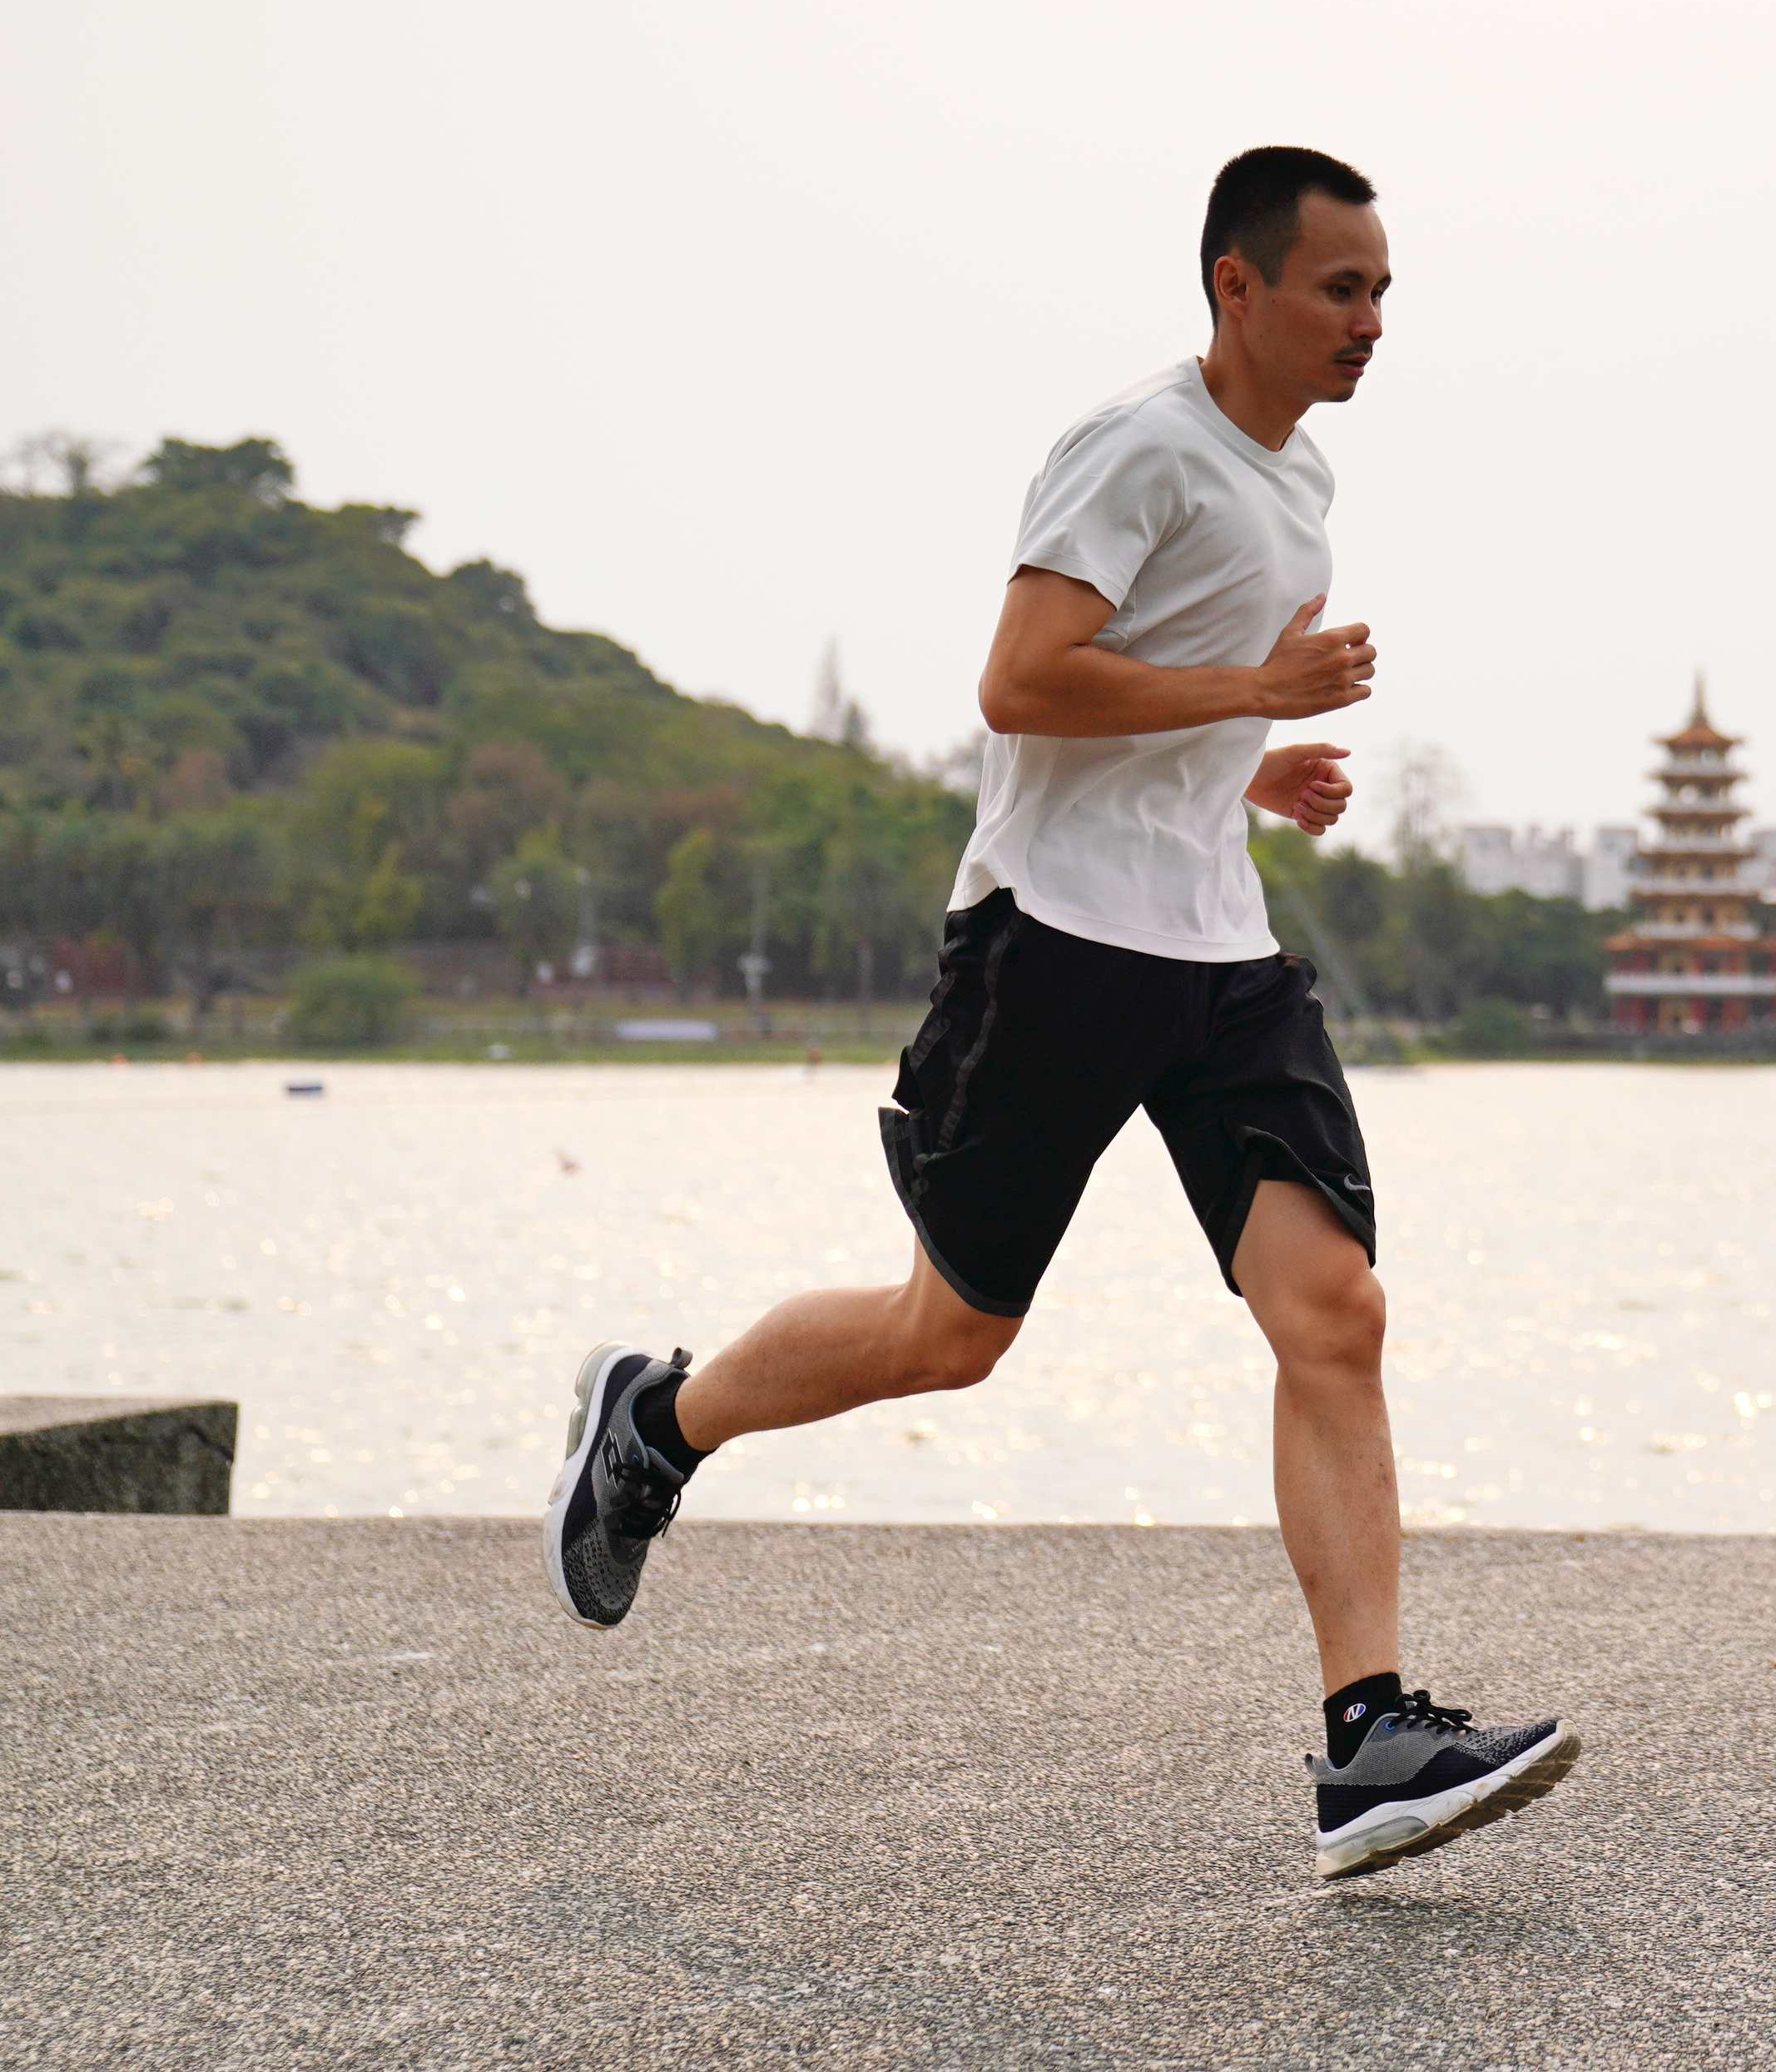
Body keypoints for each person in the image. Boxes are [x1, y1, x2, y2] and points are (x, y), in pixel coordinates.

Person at [541, 146, 1577, 1881]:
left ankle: (1369, 1743)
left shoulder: (1303, 481)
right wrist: (1257, 687)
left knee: (1334, 1311)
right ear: (1237, 285)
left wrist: (1260, 768)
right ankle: (659, 1419)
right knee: (950, 1331)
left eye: (1386, 290)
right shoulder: (1137, 445)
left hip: (1217, 954)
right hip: (1055, 947)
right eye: (1341, 287)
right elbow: (1022, 683)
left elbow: (1165, 708)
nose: (1371, 321)